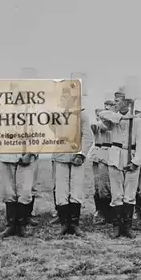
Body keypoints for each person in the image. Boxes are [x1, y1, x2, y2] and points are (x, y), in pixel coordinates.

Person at [98, 86, 141, 239]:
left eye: (118, 100)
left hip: (131, 155)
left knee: (130, 195)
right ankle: (117, 226)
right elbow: (101, 113)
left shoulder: (137, 120)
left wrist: (136, 161)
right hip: (115, 156)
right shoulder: (113, 116)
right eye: (115, 100)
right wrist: (123, 117)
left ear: (126, 102)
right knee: (116, 193)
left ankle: (127, 227)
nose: (115, 103)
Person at [51, 87, 94, 236]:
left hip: (76, 155)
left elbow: (88, 136)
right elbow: (52, 130)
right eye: (62, 97)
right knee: (61, 189)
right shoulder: (56, 114)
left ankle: (75, 224)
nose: (63, 99)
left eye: (66, 97)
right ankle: (64, 223)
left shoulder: (82, 115)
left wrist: (81, 155)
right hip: (61, 153)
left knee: (76, 189)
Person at [0, 153, 39, 238]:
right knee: (8, 191)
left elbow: (39, 139)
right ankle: (11, 225)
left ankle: (22, 226)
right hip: (7, 155)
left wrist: (31, 153)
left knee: (25, 192)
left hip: (26, 156)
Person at [90, 101, 114, 226]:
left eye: (109, 108)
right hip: (97, 152)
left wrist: (102, 116)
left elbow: (105, 126)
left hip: (108, 152)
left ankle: (108, 214)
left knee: (106, 186)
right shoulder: (98, 122)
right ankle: (99, 211)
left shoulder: (114, 122)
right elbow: (94, 126)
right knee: (97, 186)